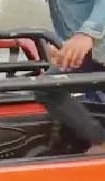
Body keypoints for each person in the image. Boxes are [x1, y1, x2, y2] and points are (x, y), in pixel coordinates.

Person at [33, 0, 105, 153]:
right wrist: (63, 47)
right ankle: (100, 140)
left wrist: (87, 34)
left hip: (93, 42)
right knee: (47, 87)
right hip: (89, 55)